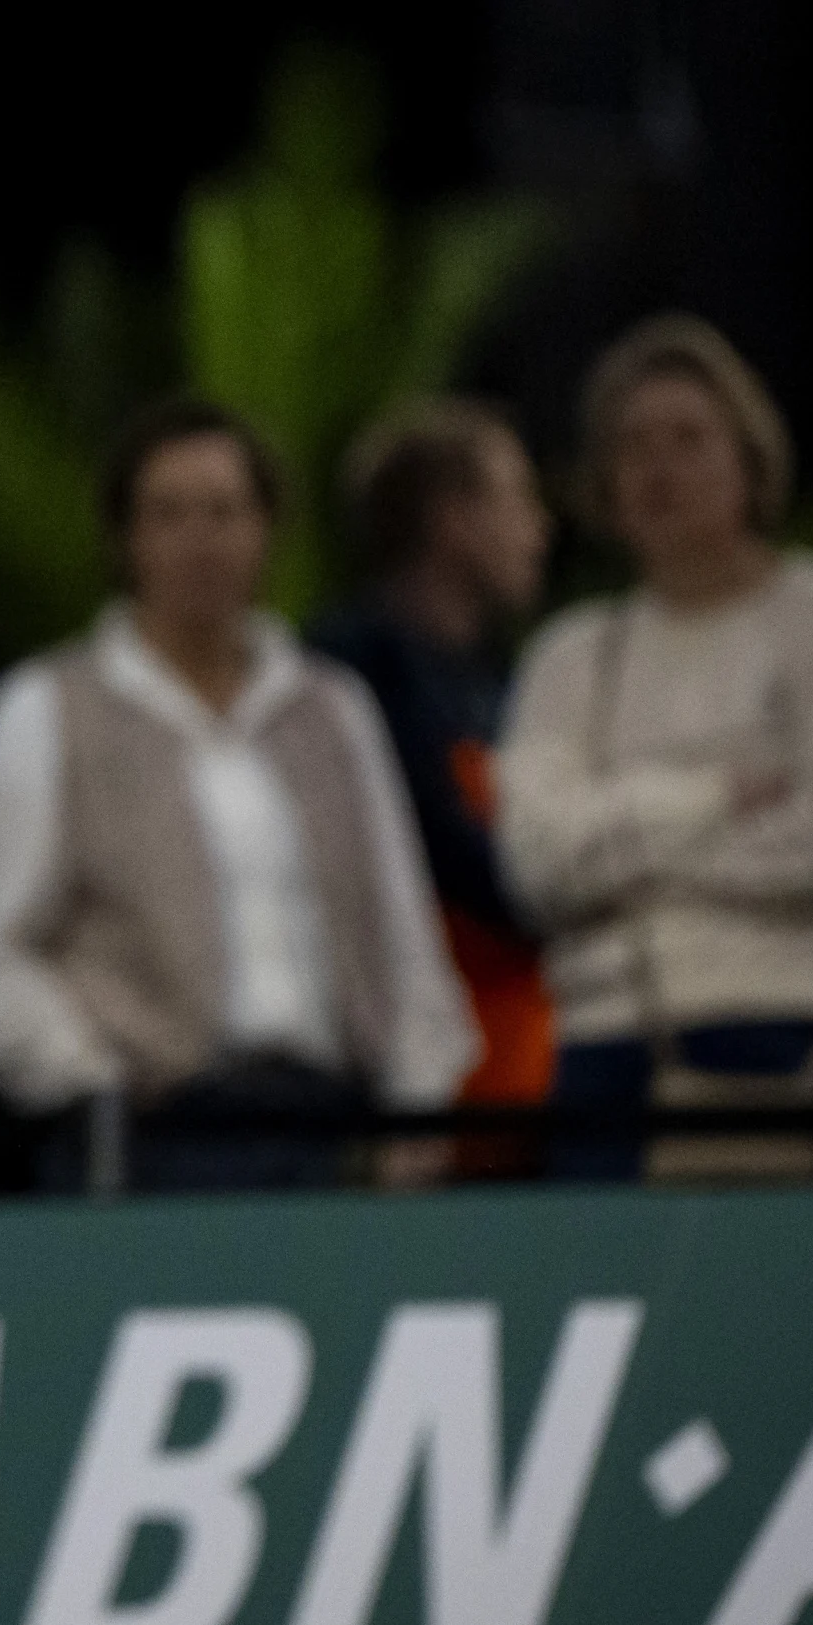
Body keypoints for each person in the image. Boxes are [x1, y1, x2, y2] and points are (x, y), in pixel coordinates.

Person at [0, 395, 474, 1187]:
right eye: (169, 514)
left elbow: (400, 934)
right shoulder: (48, 707)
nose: (200, 540)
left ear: (266, 531)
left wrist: (418, 1104)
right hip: (155, 1133)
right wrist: (91, 1080)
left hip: (331, 1125)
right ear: (126, 538)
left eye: (225, 512)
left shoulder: (331, 708)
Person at [497, 316, 813, 1179]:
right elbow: (539, 862)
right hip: (618, 1043)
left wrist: (626, 839)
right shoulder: (569, 658)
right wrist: (719, 797)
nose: (661, 469)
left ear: (750, 461)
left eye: (689, 439)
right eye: (633, 447)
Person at [310, 400, 558, 1150]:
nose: (540, 529)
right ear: (454, 520)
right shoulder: (350, 673)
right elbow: (438, 847)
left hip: (523, 1072)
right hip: (405, 1079)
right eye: (519, 499)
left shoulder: (505, 681)